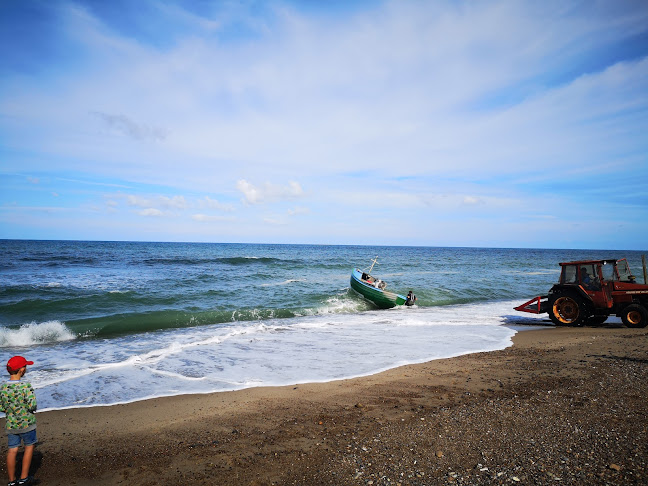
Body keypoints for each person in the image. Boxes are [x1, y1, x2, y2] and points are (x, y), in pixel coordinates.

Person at [0, 356, 37, 486]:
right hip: (27, 423)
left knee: (12, 450)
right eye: (25, 366)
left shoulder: (3, 387)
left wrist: (11, 412)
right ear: (21, 370)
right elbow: (32, 405)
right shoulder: (25, 386)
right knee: (29, 446)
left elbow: (1, 406)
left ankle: (11, 481)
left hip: (11, 424)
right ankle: (23, 478)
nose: (26, 368)